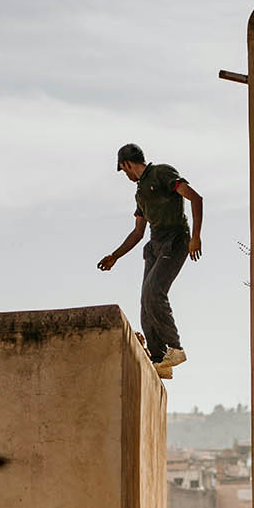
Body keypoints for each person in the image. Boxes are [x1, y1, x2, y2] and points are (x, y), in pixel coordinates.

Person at [97, 143, 201, 378]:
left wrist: (195, 237)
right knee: (145, 301)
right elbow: (137, 232)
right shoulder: (140, 192)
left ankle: (174, 348)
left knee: (155, 292)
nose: (126, 176)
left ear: (127, 164)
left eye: (124, 171)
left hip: (174, 239)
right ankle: (160, 360)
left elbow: (195, 198)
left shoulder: (162, 173)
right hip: (153, 245)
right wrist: (115, 256)